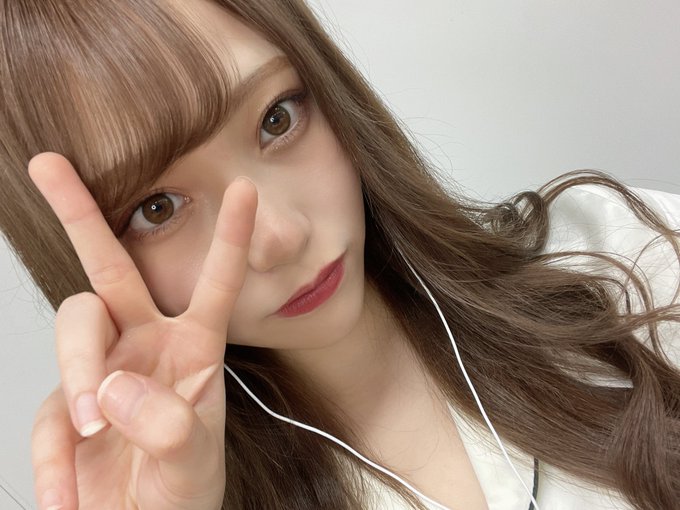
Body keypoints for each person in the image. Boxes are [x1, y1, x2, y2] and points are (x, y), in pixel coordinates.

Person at [0, 1, 678, 509]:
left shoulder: (618, 264)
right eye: (157, 208)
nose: (279, 237)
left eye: (276, 119)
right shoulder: (173, 489)